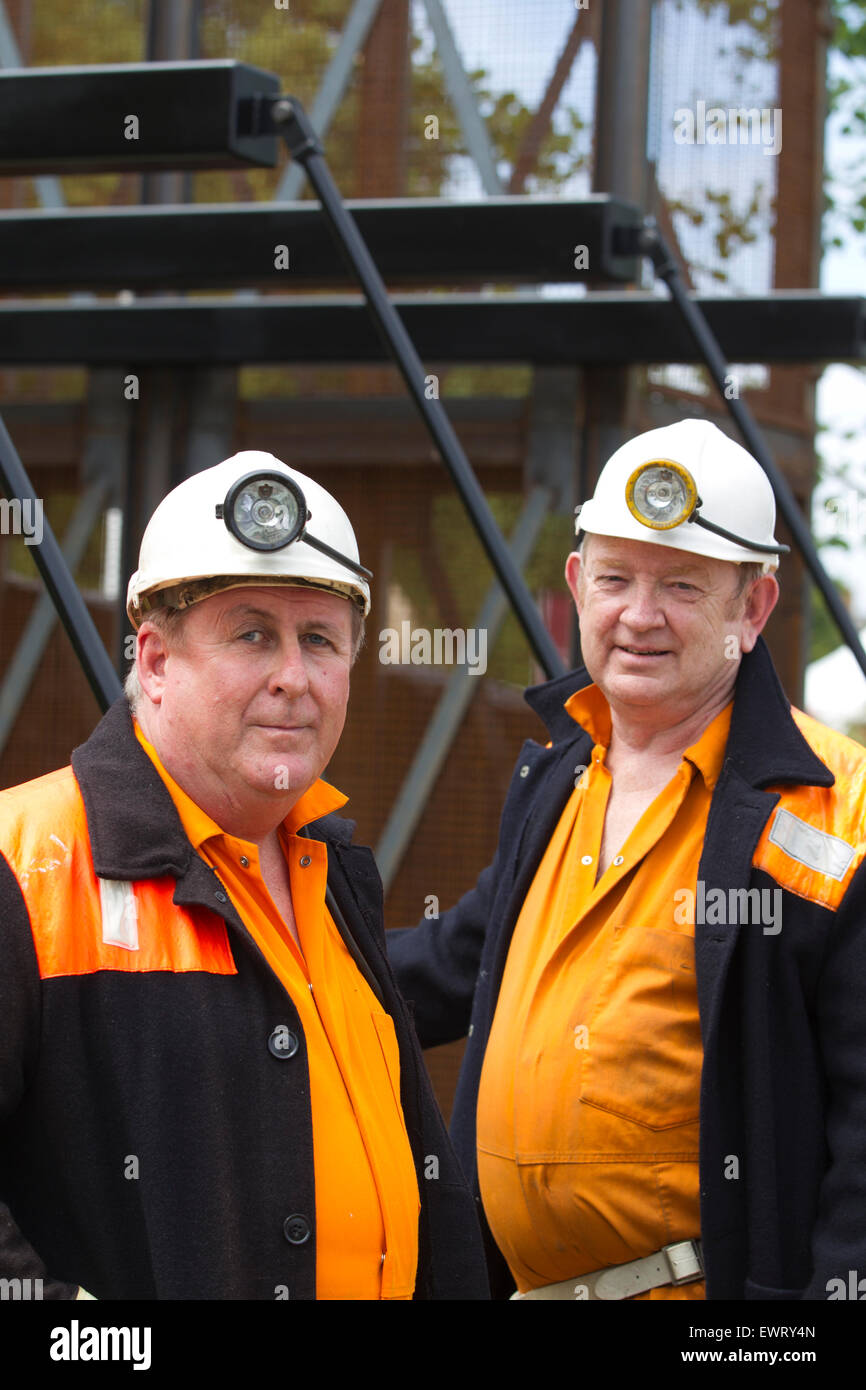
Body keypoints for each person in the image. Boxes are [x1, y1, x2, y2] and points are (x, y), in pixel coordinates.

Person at [388, 418, 866, 1302]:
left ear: (752, 608)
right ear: (577, 585)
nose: (639, 616)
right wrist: (283, 972)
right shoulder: (563, 776)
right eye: (616, 579)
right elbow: (457, 959)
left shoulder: (836, 813)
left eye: (682, 585)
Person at [0, 450, 488, 1301]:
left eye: (320, 641)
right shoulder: (27, 863)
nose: (292, 679)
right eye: (253, 633)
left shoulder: (334, 873)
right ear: (153, 662)